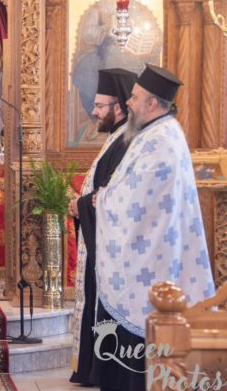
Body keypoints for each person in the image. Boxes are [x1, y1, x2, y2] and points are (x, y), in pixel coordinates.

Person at [92, 64, 215, 390]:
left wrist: (104, 200)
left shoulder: (162, 139)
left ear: (152, 103)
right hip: (155, 252)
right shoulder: (154, 132)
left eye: (135, 97)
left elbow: (138, 200)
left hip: (153, 259)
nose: (128, 102)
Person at [68, 68, 137, 386]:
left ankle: (100, 368)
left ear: (118, 107)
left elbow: (114, 193)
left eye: (99, 105)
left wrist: (81, 205)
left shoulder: (126, 141)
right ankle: (92, 367)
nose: (94, 111)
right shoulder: (116, 137)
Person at [69, 0, 162, 146]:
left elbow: (155, 35)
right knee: (90, 72)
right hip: (107, 53)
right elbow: (88, 34)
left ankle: (132, 122)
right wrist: (106, 28)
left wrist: (149, 42)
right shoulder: (99, 8)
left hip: (137, 57)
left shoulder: (140, 9)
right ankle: (101, 120)